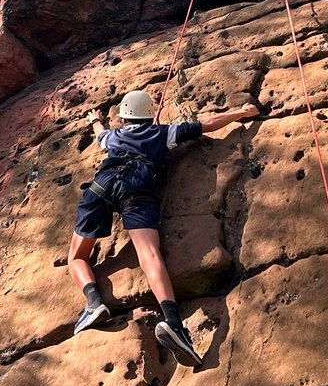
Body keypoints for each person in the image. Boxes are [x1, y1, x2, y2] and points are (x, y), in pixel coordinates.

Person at [69, 89, 259, 366]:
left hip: (103, 185)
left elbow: (101, 134)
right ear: (149, 116)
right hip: (138, 189)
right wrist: (242, 113)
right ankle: (174, 324)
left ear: (123, 119)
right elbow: (205, 125)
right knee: (149, 255)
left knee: (77, 256)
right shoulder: (163, 133)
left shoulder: (114, 137)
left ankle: (94, 302)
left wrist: (94, 119)